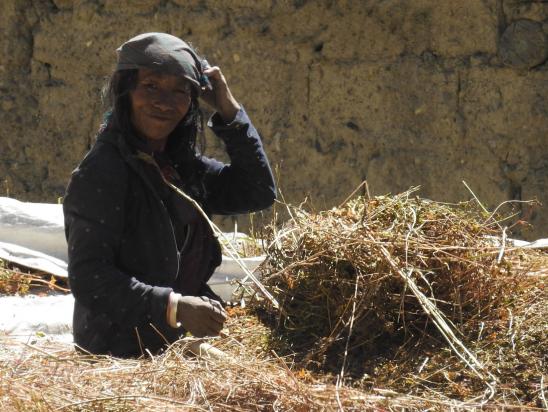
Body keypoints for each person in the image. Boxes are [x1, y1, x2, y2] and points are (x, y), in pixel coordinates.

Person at [63, 32, 276, 357]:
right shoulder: (102, 172)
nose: (164, 102)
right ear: (126, 90)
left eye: (180, 91)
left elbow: (256, 192)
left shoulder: (179, 169)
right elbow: (90, 277)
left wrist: (229, 110)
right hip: (121, 351)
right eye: (151, 86)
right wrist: (173, 307)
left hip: (174, 338)